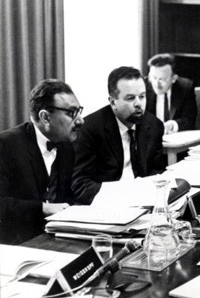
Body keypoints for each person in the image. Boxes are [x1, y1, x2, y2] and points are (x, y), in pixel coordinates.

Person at [0, 79, 84, 244]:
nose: (81, 120)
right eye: (71, 113)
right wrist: (44, 208)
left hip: (56, 240)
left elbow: (68, 196)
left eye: (79, 111)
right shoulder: (5, 145)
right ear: (45, 117)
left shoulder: (66, 146)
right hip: (17, 246)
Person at [72, 66, 166, 205]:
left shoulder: (154, 125)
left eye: (142, 96)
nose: (138, 104)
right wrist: (122, 195)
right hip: (108, 205)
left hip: (144, 202)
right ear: (112, 102)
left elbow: (156, 170)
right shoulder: (89, 129)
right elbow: (80, 185)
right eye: (130, 98)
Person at [145, 53, 197, 133]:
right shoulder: (142, 87)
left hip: (176, 140)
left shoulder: (186, 88)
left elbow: (189, 120)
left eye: (162, 79)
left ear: (174, 78)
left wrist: (172, 125)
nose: (156, 84)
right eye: (154, 77)